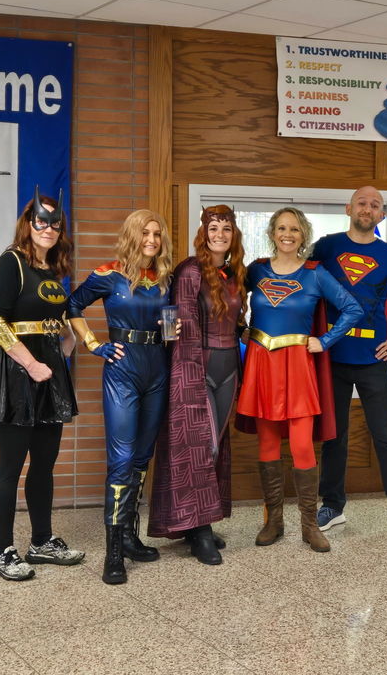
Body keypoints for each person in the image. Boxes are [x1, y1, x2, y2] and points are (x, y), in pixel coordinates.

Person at [311, 186, 387, 539]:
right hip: (332, 358)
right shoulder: (326, 246)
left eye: (375, 205)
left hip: (372, 360)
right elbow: (302, 284)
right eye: (362, 203)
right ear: (348, 208)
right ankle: (332, 505)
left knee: (386, 436)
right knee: (334, 436)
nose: (367, 209)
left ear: (382, 214)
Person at [236, 206, 362, 553]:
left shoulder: (315, 273)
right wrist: (239, 330)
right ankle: (273, 520)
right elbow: (229, 302)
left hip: (298, 364)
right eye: (280, 228)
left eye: (293, 229)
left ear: (303, 234)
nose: (287, 234)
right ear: (272, 233)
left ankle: (309, 524)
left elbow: (352, 308)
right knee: (268, 444)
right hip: (262, 363)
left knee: (303, 445)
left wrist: (325, 339)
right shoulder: (256, 270)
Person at [0, 188, 84, 581]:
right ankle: (2, 551)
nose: (49, 228)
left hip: (49, 375)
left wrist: (67, 340)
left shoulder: (53, 268)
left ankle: (41, 541)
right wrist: (32, 363)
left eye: (55, 223)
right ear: (28, 222)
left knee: (44, 467)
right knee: (10, 467)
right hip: (18, 375)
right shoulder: (12, 262)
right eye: (42, 220)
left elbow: (55, 322)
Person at [68, 209, 173, 585]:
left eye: (157, 234)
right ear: (132, 235)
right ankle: (113, 550)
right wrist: (94, 343)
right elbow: (72, 305)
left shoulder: (165, 279)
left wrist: (174, 330)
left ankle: (130, 535)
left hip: (158, 368)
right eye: (145, 232)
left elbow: (174, 323)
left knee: (143, 455)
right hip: (123, 370)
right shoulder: (108, 274)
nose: (151, 239)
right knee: (123, 457)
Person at [148, 205, 246, 566]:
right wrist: (186, 376)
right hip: (196, 368)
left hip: (228, 370)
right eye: (213, 228)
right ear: (203, 233)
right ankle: (199, 530)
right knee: (198, 446)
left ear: (234, 234)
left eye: (226, 229)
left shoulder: (235, 273)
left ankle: (198, 523)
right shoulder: (190, 270)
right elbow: (175, 321)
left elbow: (237, 325)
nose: (219, 235)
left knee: (215, 447)